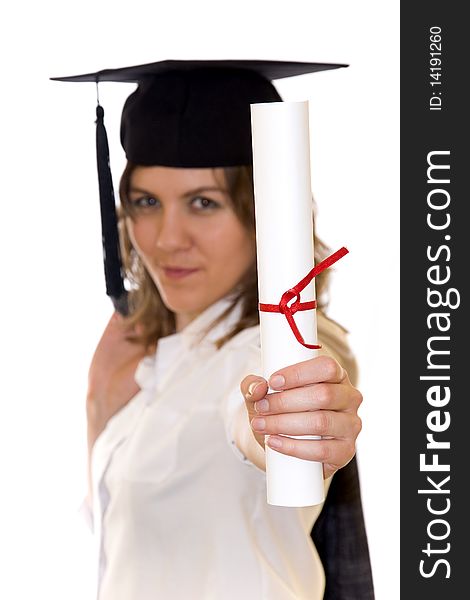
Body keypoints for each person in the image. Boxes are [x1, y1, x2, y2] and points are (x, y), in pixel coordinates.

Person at [53, 60, 374, 599]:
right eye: (146, 202)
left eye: (204, 202)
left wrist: (289, 426)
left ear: (264, 210)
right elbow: (132, 545)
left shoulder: (277, 344)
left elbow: (260, 416)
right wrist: (99, 404)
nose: (167, 238)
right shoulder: (153, 360)